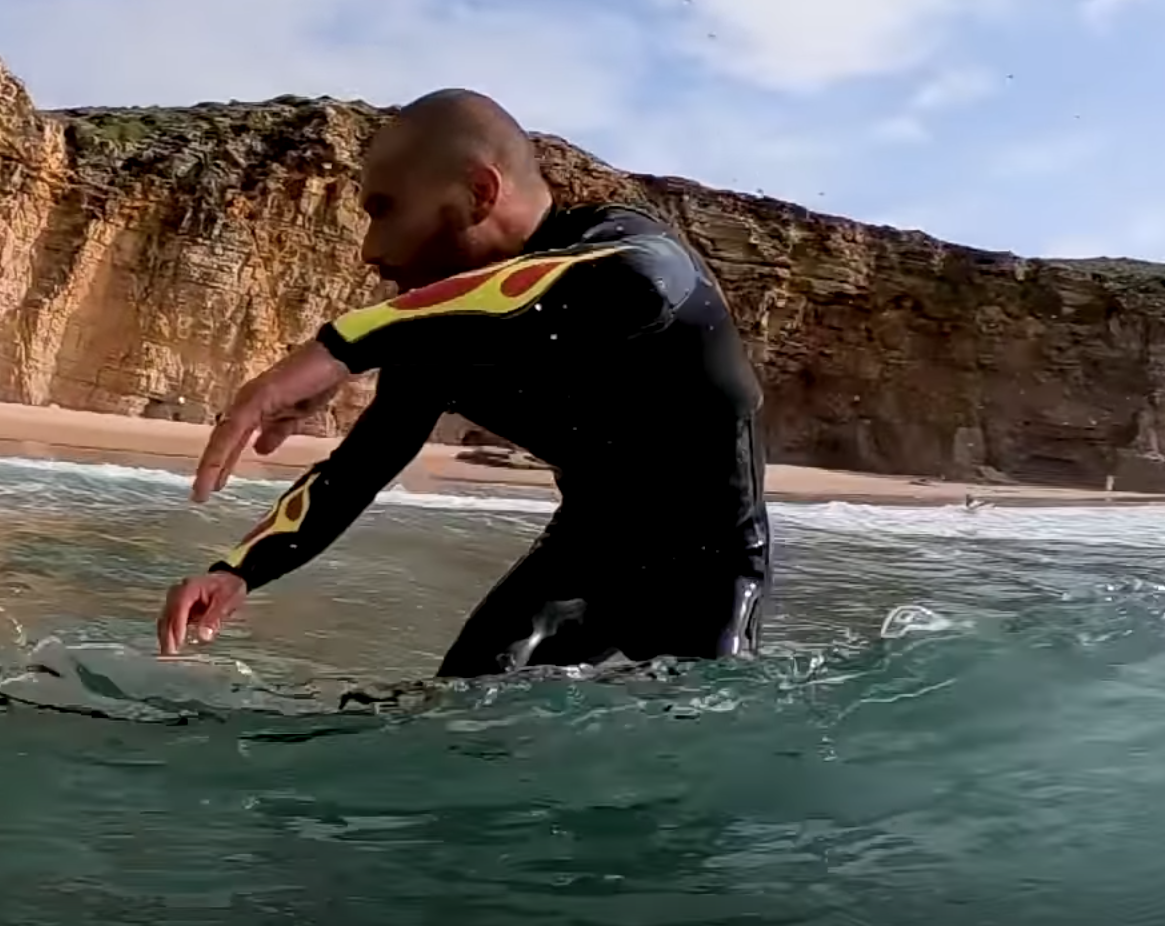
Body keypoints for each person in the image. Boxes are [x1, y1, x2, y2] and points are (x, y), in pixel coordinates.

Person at [154, 88, 772, 678]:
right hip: (585, 553)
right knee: (460, 713)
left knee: (703, 733)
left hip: (711, 568)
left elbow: (631, 285)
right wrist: (238, 571)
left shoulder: (630, 251)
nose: (368, 249)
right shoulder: (442, 340)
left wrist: (343, 345)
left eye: (384, 210)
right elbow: (359, 469)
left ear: (480, 192)